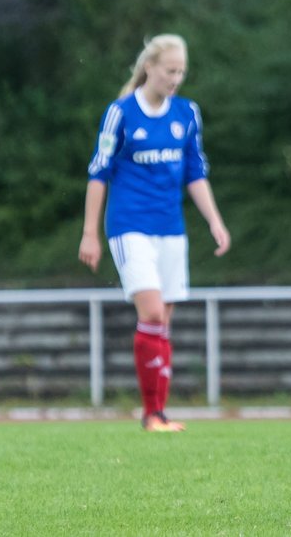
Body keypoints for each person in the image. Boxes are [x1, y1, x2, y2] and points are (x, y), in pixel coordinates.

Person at [78, 33, 231, 433]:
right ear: (150, 67)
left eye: (181, 71)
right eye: (170, 70)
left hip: (171, 229)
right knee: (150, 313)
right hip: (130, 227)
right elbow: (99, 173)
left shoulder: (187, 114)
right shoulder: (121, 113)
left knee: (163, 320)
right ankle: (151, 414)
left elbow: (195, 173)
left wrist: (214, 220)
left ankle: (158, 412)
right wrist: (89, 233)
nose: (176, 78)